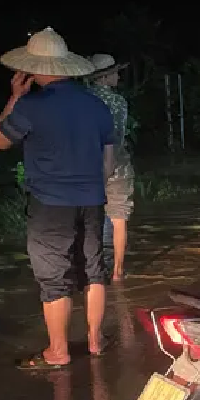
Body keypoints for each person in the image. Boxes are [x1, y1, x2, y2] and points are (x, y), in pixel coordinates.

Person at [0, 28, 114, 370]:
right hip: (92, 198)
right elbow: (108, 160)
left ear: (34, 67)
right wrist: (94, 189)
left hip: (50, 204)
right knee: (93, 269)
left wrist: (14, 97)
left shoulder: (31, 106)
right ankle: (95, 340)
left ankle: (58, 351)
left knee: (54, 274)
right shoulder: (96, 104)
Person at [87, 54, 135, 281]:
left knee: (89, 218)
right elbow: (119, 135)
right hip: (117, 164)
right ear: (104, 77)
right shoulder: (118, 102)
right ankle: (118, 271)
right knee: (118, 217)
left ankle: (92, 270)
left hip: (87, 165)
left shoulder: (83, 100)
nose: (118, 76)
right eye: (115, 73)